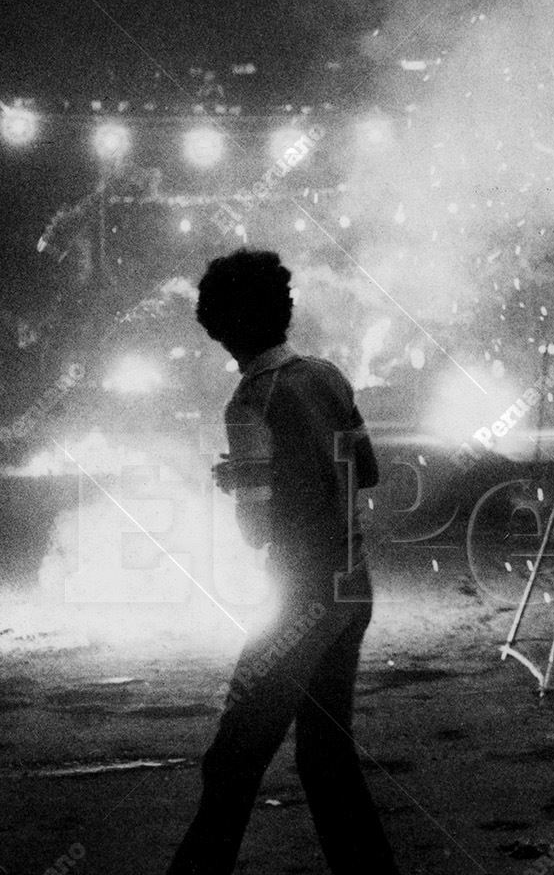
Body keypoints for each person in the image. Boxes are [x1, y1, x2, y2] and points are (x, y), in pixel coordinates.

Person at [168, 249, 400, 874]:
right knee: (327, 758)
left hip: (300, 601)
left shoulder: (249, 403)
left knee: (233, 759)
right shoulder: (327, 376)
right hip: (353, 585)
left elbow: (255, 531)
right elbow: (367, 471)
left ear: (223, 327)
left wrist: (244, 480)